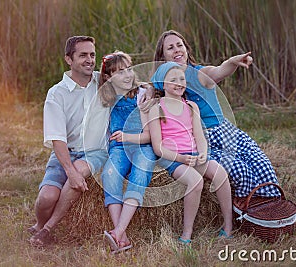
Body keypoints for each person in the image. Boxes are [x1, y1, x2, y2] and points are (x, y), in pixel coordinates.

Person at [154, 30, 281, 198]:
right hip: (205, 138)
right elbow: (148, 92)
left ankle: (271, 202)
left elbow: (219, 71)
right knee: (240, 170)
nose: (177, 49)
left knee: (261, 163)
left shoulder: (200, 74)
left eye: (180, 45)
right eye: (170, 48)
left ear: (186, 49)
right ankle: (246, 207)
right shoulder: (163, 86)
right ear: (163, 58)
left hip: (225, 130)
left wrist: (232, 62)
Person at [28, 36, 110, 247]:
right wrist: (69, 171)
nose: (89, 60)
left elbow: (132, 82)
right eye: (83, 55)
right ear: (68, 59)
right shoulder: (56, 94)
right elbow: (57, 138)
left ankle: (47, 230)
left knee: (80, 170)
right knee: (47, 198)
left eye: (92, 55)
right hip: (65, 151)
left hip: (95, 152)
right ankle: (39, 224)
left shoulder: (104, 82)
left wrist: (147, 93)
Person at [149, 62, 233, 242]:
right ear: (162, 84)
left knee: (220, 174)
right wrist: (181, 158)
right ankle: (187, 233)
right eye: (173, 80)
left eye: (181, 78)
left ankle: (228, 225)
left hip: (195, 154)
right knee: (195, 182)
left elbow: (199, 136)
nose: (179, 83)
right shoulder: (157, 109)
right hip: (173, 158)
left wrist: (203, 153)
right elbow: (158, 148)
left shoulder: (191, 106)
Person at [99, 52, 157, 253]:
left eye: (129, 69)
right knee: (110, 173)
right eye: (120, 71)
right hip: (118, 148)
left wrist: (150, 87)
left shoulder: (142, 93)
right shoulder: (105, 98)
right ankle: (120, 235)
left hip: (142, 145)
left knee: (140, 171)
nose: (127, 75)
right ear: (107, 77)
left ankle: (118, 231)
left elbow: (149, 134)